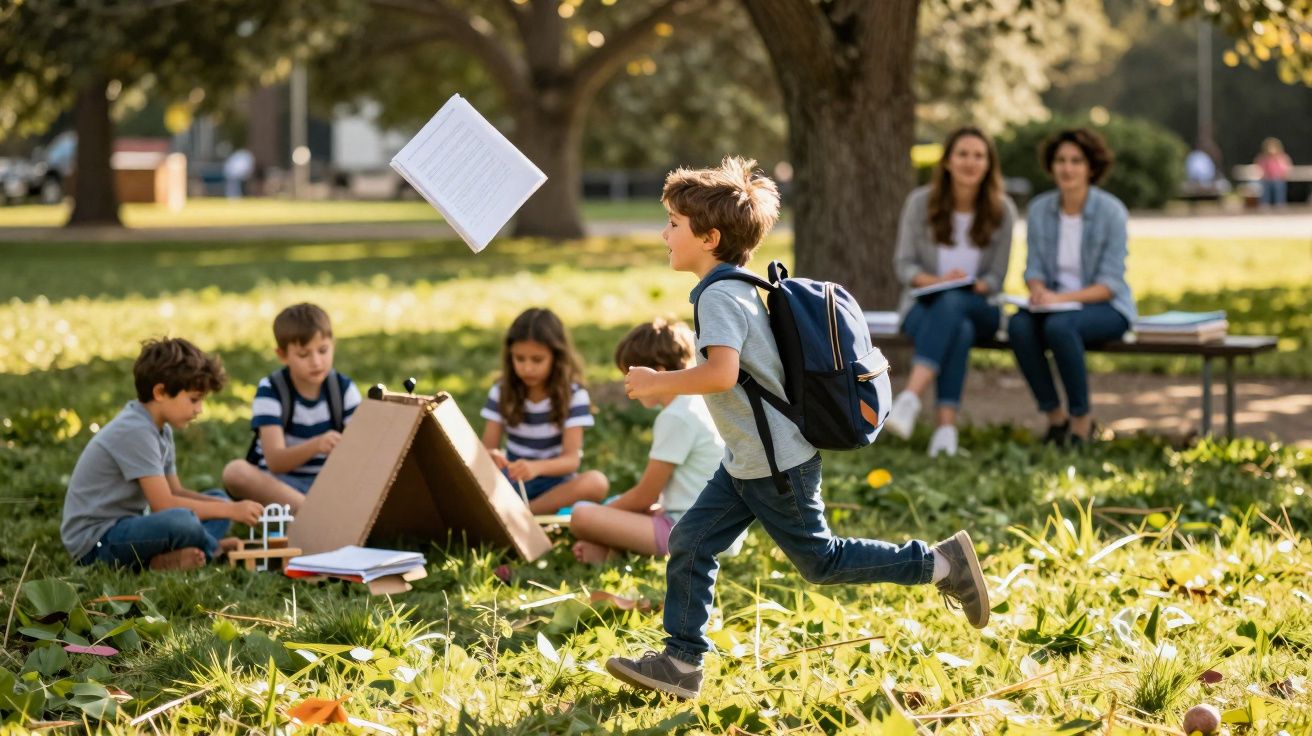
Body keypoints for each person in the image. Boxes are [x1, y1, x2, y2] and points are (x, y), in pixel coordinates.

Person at [605, 156, 989, 700]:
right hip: (748, 460)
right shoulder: (734, 285)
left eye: (673, 224)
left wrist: (659, 383)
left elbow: (722, 374)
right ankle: (682, 663)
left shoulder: (719, 295)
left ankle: (941, 563)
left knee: (821, 561)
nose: (664, 233)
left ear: (709, 236)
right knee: (691, 541)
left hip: (775, 465)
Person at [61, 338, 264, 571]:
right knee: (184, 521)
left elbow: (175, 492)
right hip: (95, 543)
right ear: (160, 392)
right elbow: (164, 505)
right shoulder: (135, 430)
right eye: (194, 400)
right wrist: (231, 510)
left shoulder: (160, 429)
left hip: (129, 528)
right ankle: (212, 549)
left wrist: (227, 506)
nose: (199, 409)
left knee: (218, 499)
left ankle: (166, 559)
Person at [884, 126, 1016, 456]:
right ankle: (945, 432)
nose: (970, 162)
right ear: (947, 161)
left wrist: (966, 284)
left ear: (988, 164)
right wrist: (939, 283)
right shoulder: (919, 204)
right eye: (962, 154)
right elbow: (905, 267)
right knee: (958, 324)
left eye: (979, 155)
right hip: (922, 308)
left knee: (957, 303)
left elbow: (997, 278)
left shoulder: (1003, 210)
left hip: (981, 305)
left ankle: (911, 396)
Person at [1007, 128, 1136, 446]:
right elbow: (1033, 267)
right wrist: (1036, 288)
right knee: (1018, 326)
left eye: (1076, 161)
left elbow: (1110, 284)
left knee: (1060, 327)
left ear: (1091, 167)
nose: (1067, 168)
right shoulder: (1040, 209)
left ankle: (1081, 424)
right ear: (1051, 166)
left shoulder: (1111, 212)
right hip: (1052, 306)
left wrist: (1060, 298)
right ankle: (1055, 419)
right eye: (1060, 160)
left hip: (1106, 308)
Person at [571, 318, 726, 565]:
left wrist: (601, 516)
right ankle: (608, 549)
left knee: (581, 515)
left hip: (690, 534)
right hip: (715, 529)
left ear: (658, 372)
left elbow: (644, 495)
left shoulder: (676, 416)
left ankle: (607, 548)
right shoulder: (697, 403)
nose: (627, 387)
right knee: (611, 509)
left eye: (630, 377)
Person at [222, 303, 362, 512]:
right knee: (235, 472)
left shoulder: (344, 389)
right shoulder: (271, 390)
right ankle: (313, 515)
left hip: (330, 485)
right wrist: (316, 445)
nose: (316, 362)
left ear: (332, 344)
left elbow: (362, 453)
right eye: (304, 355)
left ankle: (321, 513)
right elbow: (276, 461)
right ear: (282, 355)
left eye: (323, 350)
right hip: (282, 487)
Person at [481, 307, 609, 515]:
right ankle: (517, 513)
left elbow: (571, 460)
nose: (527, 368)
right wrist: (492, 456)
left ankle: (523, 514)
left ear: (556, 357)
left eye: (537, 360)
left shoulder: (573, 395)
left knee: (596, 482)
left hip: (555, 484)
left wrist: (536, 468)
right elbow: (487, 451)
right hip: (512, 479)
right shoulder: (501, 391)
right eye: (519, 359)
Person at [1255, 137, 1292, 208]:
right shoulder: (1263, 158)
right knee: (1265, 191)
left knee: (1279, 189)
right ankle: (1264, 205)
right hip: (1267, 179)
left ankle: (1280, 205)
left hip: (1278, 179)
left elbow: (1285, 168)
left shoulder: (1282, 157)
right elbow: (1260, 168)